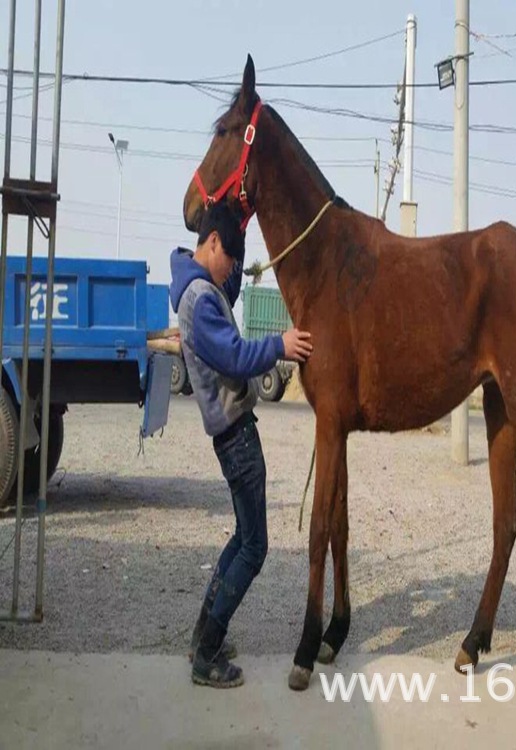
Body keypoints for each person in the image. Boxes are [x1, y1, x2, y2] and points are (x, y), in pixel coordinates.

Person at [169, 202, 313, 688]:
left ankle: (203, 636)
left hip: (231, 432)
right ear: (211, 245)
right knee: (255, 546)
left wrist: (245, 218)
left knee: (241, 537)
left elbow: (227, 283)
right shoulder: (199, 300)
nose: (232, 268)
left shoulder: (199, 286)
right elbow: (233, 355)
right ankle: (207, 655)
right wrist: (280, 345)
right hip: (236, 435)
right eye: (229, 257)